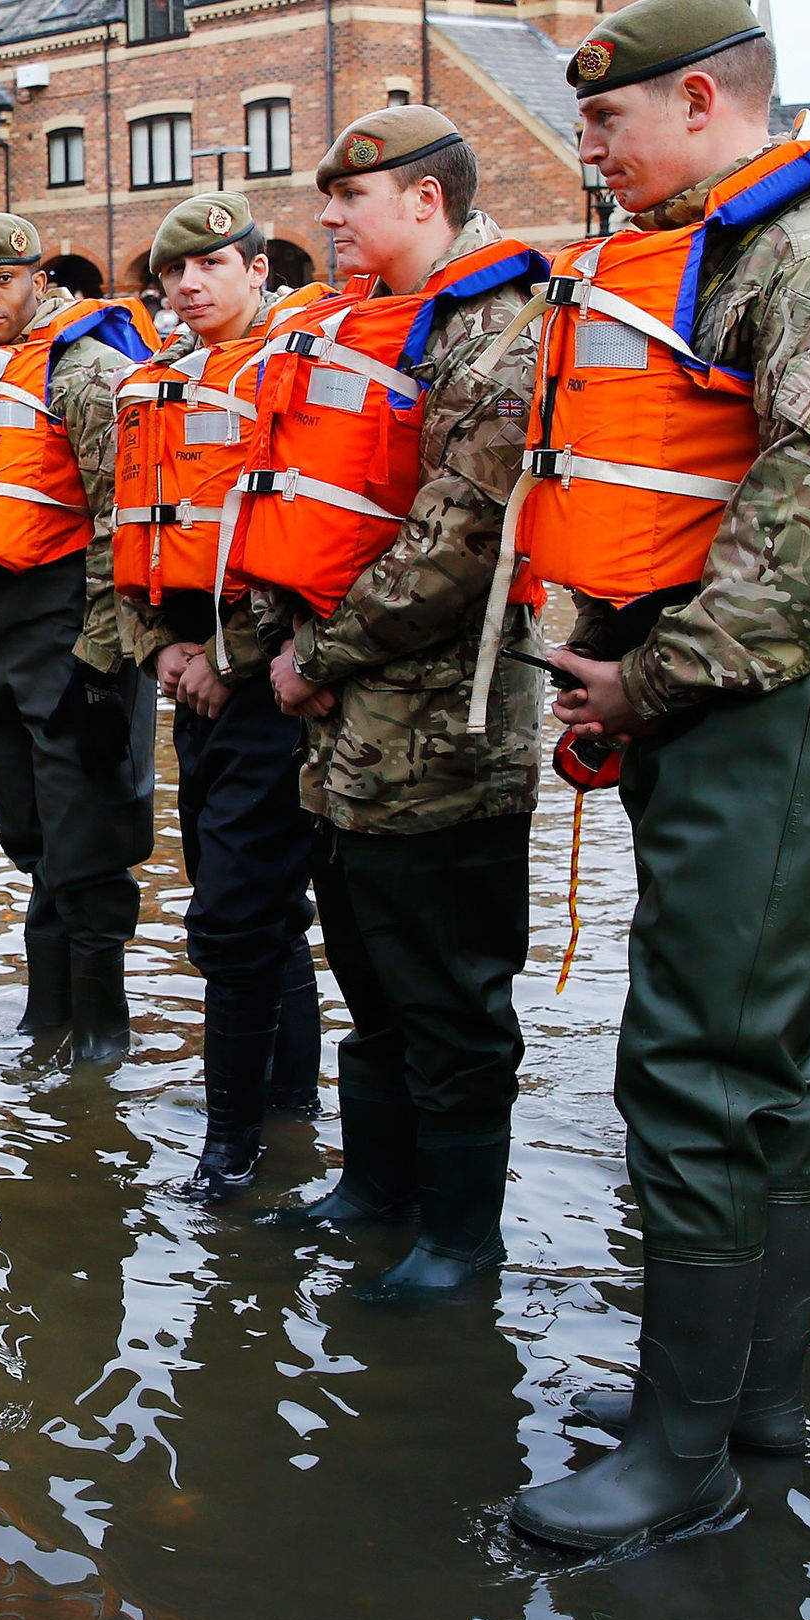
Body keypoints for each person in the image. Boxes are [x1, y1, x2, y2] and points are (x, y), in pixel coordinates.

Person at [510, 0, 810, 1552]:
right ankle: (746, 1399)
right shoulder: (726, 247)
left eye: (610, 118)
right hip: (750, 680)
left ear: (706, 103)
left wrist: (643, 681)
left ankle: (680, 1456)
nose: (590, 146)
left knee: (699, 1058)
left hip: (776, 687)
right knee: (770, 1052)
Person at [234, 106, 548, 1304]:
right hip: (347, 740)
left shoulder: (500, 337)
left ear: (426, 201)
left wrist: (321, 657)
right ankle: (375, 1191)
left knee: (452, 995)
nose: (326, 218)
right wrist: (291, 645)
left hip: (447, 732)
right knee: (368, 976)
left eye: (349, 198)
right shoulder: (368, 329)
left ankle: (463, 1241)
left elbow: (456, 545)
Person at [0, 211, 156, 1065]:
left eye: (1, 280)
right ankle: (46, 1017)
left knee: (87, 837)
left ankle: (101, 1035)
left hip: (71, 636)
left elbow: (121, 521)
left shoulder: (84, 375)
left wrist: (101, 660)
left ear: (38, 280)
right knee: (32, 835)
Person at [113, 191, 324, 1206]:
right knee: (251, 912)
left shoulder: (301, 368)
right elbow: (144, 542)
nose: (190, 286)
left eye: (211, 267)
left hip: (271, 681)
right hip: (192, 676)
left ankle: (232, 1142)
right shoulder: (159, 387)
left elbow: (316, 545)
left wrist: (227, 657)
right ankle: (291, 1107)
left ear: (256, 271)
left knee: (239, 917)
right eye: (172, 275)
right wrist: (163, 646)